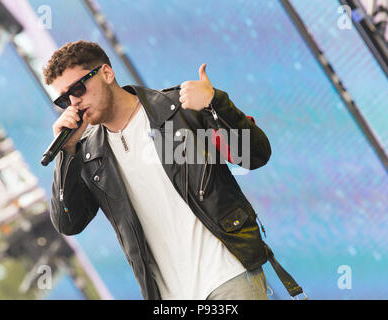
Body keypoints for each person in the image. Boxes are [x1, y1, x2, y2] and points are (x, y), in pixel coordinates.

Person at [45, 40, 301, 300]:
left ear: (107, 73)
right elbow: (68, 222)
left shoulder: (178, 109)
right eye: (64, 99)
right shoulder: (89, 155)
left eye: (78, 89)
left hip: (226, 273)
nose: (74, 102)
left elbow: (254, 155)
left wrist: (215, 104)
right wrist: (67, 153)